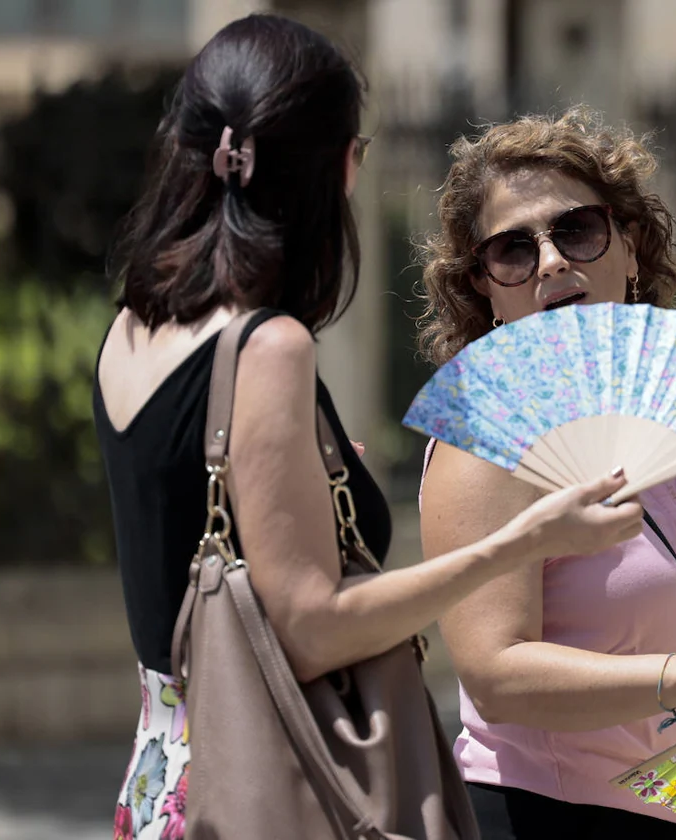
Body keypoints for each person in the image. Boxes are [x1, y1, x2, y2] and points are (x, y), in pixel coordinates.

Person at [94, 19, 642, 839]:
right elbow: (311, 630)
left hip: (168, 774)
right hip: (273, 779)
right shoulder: (266, 346)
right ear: (337, 166)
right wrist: (520, 542)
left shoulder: (133, 328)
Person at [416, 108, 676, 840]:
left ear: (631, 249)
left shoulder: (663, 414)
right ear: (484, 287)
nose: (549, 262)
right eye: (512, 250)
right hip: (558, 818)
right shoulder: (488, 429)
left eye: (576, 230)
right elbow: (495, 675)